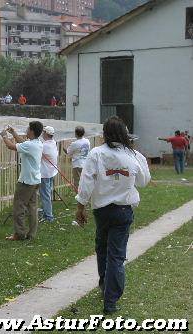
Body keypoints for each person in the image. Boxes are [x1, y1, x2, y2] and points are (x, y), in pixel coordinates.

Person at [75, 116, 150, 314]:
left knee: (102, 248)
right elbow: (143, 181)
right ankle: (111, 301)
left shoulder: (97, 153)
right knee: (116, 255)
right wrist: (136, 154)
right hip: (123, 211)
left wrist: (80, 206)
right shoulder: (132, 155)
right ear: (125, 134)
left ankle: (104, 286)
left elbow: (87, 181)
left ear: (105, 133)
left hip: (102, 211)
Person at [0, 121, 43, 241]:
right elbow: (22, 143)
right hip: (35, 180)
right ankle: (31, 234)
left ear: (32, 131)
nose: (26, 130)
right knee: (32, 207)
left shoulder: (31, 145)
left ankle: (19, 233)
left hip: (26, 182)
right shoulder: (37, 143)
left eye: (28, 128)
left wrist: (4, 135)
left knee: (19, 207)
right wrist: (13, 133)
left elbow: (11, 146)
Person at [39, 126, 58, 223]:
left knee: (45, 195)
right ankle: (45, 210)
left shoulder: (45, 145)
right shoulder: (53, 142)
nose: (42, 134)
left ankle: (48, 216)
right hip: (51, 172)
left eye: (43, 132)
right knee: (48, 193)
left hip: (45, 173)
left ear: (46, 133)